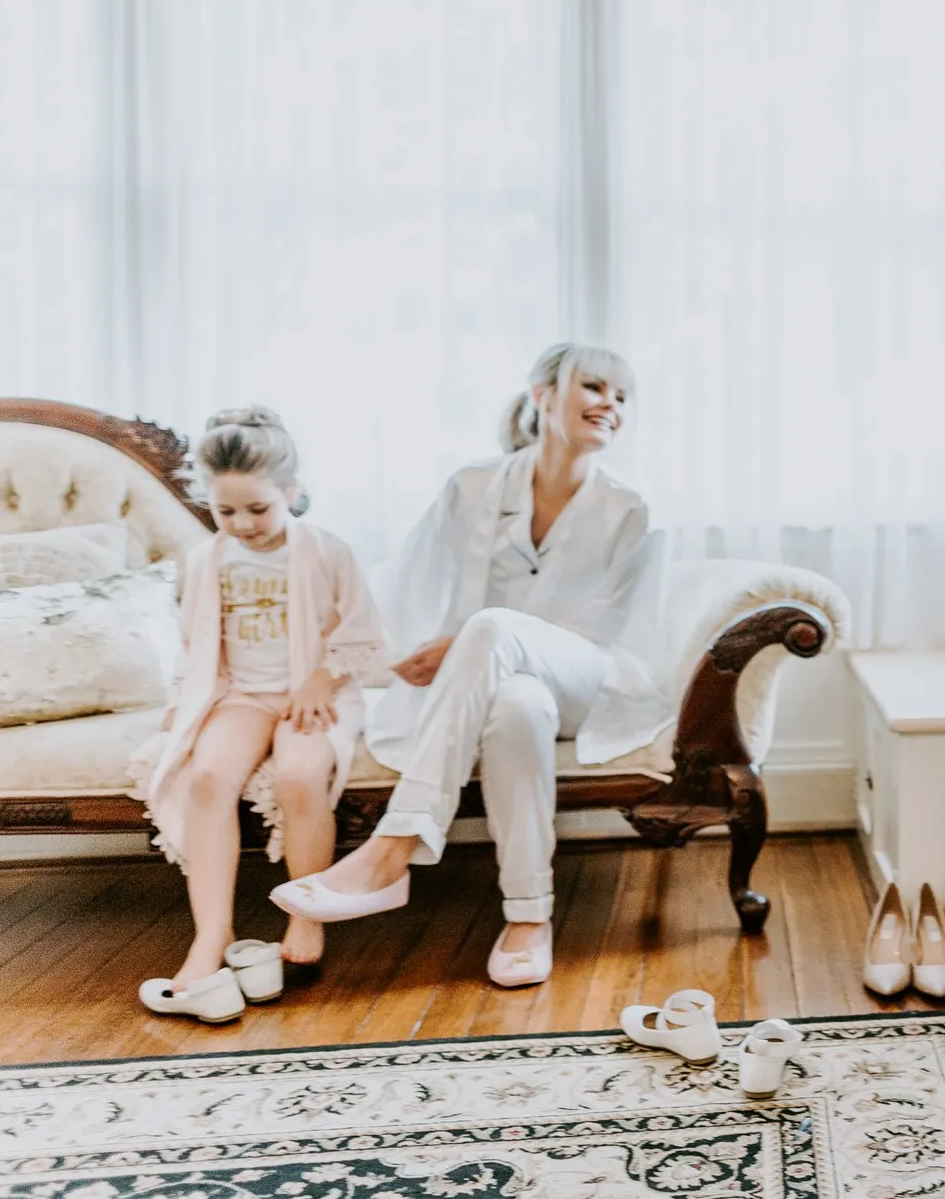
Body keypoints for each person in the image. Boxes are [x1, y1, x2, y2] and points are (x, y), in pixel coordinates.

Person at [272, 343, 667, 988]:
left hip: (591, 683)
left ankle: (392, 850)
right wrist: (367, 656)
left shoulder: (631, 509)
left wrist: (465, 644)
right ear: (541, 395)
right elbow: (404, 583)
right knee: (516, 707)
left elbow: (612, 633)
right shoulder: (472, 486)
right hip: (498, 690)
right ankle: (529, 917)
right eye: (594, 387)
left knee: (489, 632)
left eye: (622, 397)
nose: (610, 405)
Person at [133, 408, 383, 1022]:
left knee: (300, 777)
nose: (243, 524)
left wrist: (322, 676)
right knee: (208, 778)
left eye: (259, 509)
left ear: (291, 494)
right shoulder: (207, 561)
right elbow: (195, 649)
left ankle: (305, 911)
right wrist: (178, 710)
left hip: (312, 692)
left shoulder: (328, 551)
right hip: (242, 694)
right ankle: (210, 934)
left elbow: (364, 633)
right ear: (210, 505)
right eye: (227, 512)